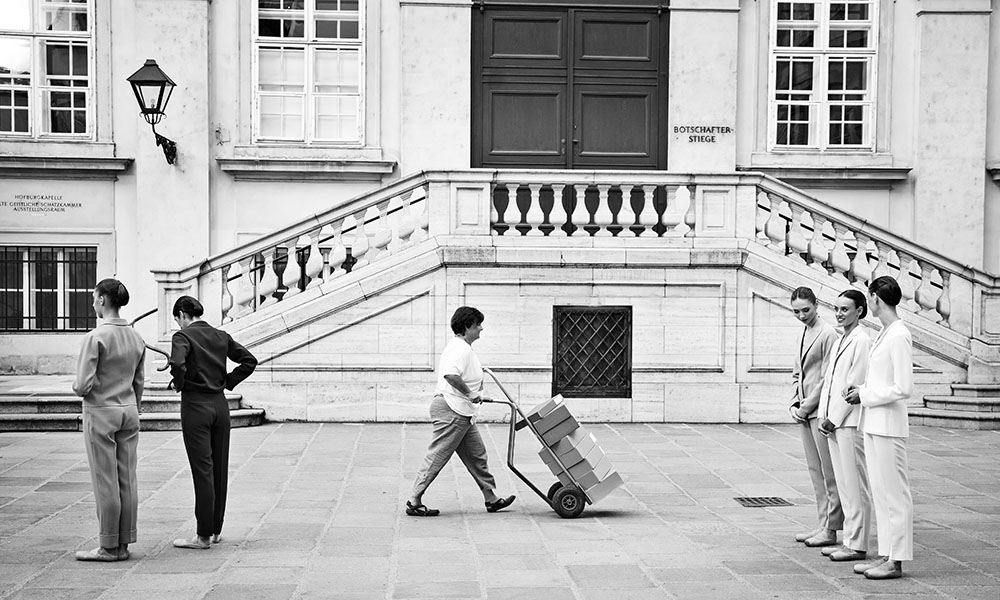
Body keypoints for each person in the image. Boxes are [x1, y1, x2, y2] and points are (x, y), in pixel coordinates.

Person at [406, 306, 515, 516]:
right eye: (478, 325)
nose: (481, 329)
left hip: (462, 412)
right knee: (438, 455)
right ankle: (414, 499)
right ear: (467, 327)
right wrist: (470, 393)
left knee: (477, 455)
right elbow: (450, 374)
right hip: (452, 411)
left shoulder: (463, 348)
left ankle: (491, 498)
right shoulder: (460, 349)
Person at [169, 295, 257, 549]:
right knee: (219, 468)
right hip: (220, 405)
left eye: (178, 319)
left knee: (203, 471)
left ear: (183, 314)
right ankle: (216, 530)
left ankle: (203, 535)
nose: (179, 324)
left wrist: (180, 382)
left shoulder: (182, 337)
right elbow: (249, 360)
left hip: (196, 405)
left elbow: (177, 362)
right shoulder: (220, 335)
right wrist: (228, 381)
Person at [844, 276, 914, 580]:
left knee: (895, 494)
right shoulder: (886, 332)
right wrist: (862, 388)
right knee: (881, 492)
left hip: (888, 424)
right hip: (874, 422)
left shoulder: (899, 334)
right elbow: (884, 379)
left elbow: (903, 387)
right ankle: (886, 554)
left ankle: (896, 559)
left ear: (874, 299)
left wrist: (866, 395)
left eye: (869, 298)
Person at [72, 278, 146, 562]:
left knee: (105, 481)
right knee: (127, 479)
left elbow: (82, 385)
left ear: (102, 300)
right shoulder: (136, 337)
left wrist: (77, 388)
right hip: (128, 409)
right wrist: (133, 405)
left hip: (101, 411)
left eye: (94, 298)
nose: (93, 303)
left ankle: (107, 545)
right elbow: (139, 381)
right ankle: (124, 543)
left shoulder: (96, 337)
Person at [817, 289, 872, 562]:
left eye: (845, 309)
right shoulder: (840, 339)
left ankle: (857, 543)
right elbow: (830, 382)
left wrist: (833, 417)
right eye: (836, 308)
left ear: (859, 310)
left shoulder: (862, 340)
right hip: (833, 422)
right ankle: (849, 539)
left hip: (849, 422)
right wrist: (824, 414)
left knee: (854, 485)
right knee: (842, 483)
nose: (839, 313)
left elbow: (855, 383)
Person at [788, 286, 843, 547]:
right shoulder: (805, 331)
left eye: (805, 310)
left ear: (816, 305)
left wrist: (806, 406)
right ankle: (823, 523)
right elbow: (797, 373)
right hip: (804, 411)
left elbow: (827, 378)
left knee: (829, 472)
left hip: (819, 411)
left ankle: (832, 529)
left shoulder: (828, 333)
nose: (801, 315)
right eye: (796, 311)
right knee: (815, 471)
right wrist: (794, 403)